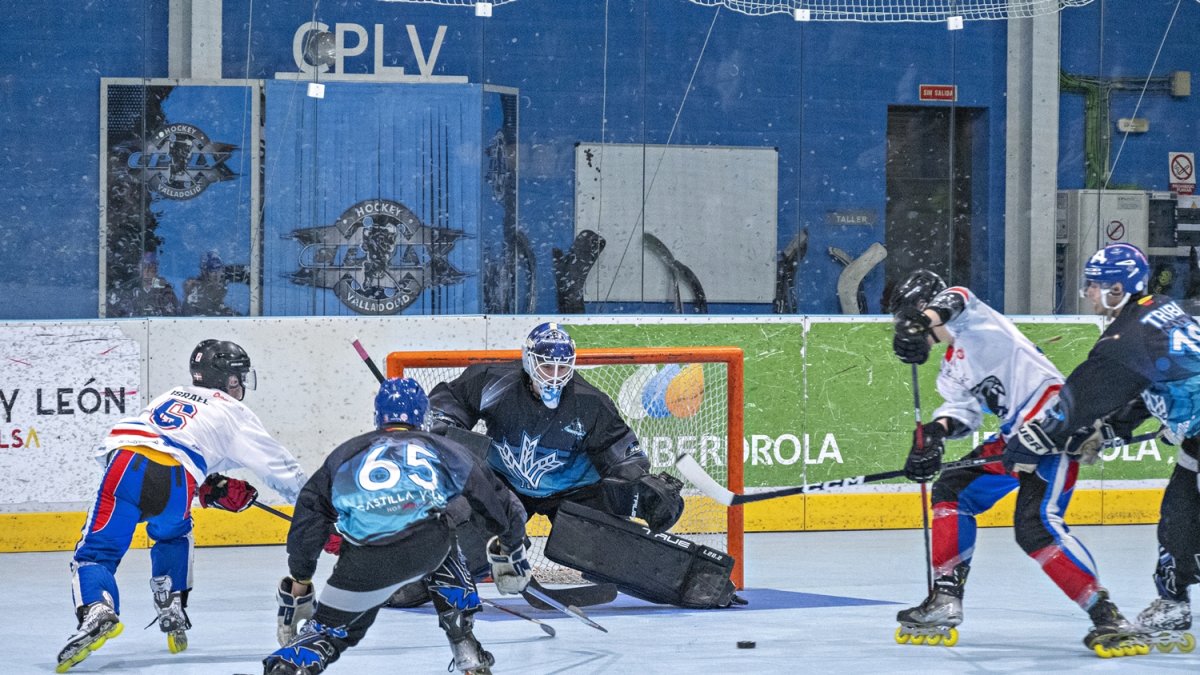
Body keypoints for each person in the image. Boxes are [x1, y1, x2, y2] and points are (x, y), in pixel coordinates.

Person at [889, 269, 1146, 657]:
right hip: (1014, 437)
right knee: (952, 489)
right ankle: (945, 597)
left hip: (1055, 423)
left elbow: (956, 295)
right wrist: (934, 435)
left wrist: (922, 320)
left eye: (910, 319)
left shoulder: (975, 319)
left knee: (1036, 526)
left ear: (924, 308)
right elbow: (963, 413)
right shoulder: (951, 367)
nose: (909, 331)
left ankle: (1106, 614)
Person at [393, 322, 739, 610]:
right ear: (529, 362)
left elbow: (620, 453)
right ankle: (411, 581)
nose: (555, 375)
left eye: (562, 367)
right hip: (506, 483)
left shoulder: (590, 403)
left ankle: (700, 583)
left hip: (572, 491)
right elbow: (452, 402)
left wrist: (640, 483)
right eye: (546, 365)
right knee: (476, 529)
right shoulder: (492, 380)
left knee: (601, 547)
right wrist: (442, 423)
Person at [56, 339, 308, 673]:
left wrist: (208, 487)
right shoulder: (233, 411)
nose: (240, 385)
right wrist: (316, 511)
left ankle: (97, 608)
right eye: (237, 378)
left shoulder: (172, 394)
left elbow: (163, 444)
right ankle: (172, 599)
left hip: (126, 466)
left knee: (95, 554)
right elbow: (282, 470)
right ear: (223, 379)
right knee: (174, 533)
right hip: (178, 482)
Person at [1003, 242, 1200, 652]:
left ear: (1117, 289)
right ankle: (1173, 603)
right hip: (1195, 443)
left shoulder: (1127, 336)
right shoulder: (1156, 309)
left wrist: (1029, 442)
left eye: (1095, 286)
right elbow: (1145, 384)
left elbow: (1078, 400)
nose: (1089, 293)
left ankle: (1174, 599)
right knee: (1176, 521)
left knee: (1183, 522)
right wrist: (1110, 431)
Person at [262, 377, 529, 675]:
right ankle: (463, 641)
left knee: (329, 632)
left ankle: (292, 663)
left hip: (362, 561)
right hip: (425, 548)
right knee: (440, 525)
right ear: (422, 416)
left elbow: (308, 518)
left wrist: (301, 578)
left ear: (378, 416)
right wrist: (510, 549)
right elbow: (496, 501)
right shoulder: (444, 447)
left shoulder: (345, 453)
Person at [108, 251, 181, 317]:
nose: (148, 272)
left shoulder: (165, 290)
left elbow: (174, 316)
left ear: (157, 270)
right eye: (145, 267)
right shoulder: (129, 290)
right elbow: (118, 316)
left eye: (153, 268)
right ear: (139, 269)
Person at [183, 250, 238, 316]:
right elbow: (193, 312)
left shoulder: (222, 288)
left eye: (218, 269)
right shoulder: (196, 289)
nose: (216, 274)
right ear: (205, 272)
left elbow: (218, 306)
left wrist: (226, 311)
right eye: (212, 269)